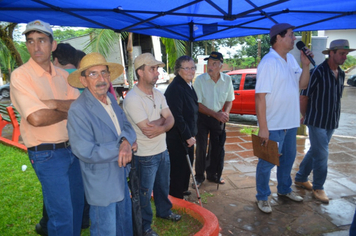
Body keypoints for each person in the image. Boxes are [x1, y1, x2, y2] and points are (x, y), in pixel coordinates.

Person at [10, 19, 84, 235]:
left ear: (53, 45)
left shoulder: (64, 75)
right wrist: (65, 109)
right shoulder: (21, 76)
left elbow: (80, 108)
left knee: (77, 209)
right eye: (31, 41)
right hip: (46, 153)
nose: (36, 46)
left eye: (42, 40)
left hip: (73, 149)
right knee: (61, 215)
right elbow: (36, 119)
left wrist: (50, 105)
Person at [66, 52, 136, 235]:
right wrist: (121, 146)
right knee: (106, 231)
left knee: (124, 227)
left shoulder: (111, 99)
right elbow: (84, 150)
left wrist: (126, 141)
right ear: (83, 80)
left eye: (104, 73)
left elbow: (126, 125)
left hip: (120, 176)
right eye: (93, 74)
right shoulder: (78, 109)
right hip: (101, 185)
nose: (101, 79)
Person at [254, 23, 313, 214]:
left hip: (290, 122)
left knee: (288, 160)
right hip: (273, 124)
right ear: (278, 38)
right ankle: (262, 196)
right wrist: (263, 128)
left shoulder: (290, 60)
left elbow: (302, 84)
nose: (294, 38)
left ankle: (284, 190)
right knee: (267, 162)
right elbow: (260, 96)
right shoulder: (269, 62)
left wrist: (306, 65)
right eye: (290, 35)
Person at [123, 53, 181, 236]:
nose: (157, 73)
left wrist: (159, 125)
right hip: (144, 155)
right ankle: (144, 226)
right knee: (144, 194)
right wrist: (163, 122)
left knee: (163, 186)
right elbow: (147, 130)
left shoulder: (158, 93)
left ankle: (164, 212)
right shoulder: (132, 98)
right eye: (152, 69)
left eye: (157, 68)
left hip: (162, 150)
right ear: (140, 72)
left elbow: (171, 118)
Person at [294, 39, 355, 204]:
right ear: (331, 53)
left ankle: (300, 177)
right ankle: (318, 187)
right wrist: (306, 116)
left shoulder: (341, 73)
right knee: (322, 154)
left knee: (315, 151)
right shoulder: (317, 72)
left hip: (331, 120)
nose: (344, 57)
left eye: (346, 54)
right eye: (341, 53)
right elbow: (303, 96)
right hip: (317, 121)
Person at [193, 51, 234, 188]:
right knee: (201, 147)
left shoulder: (227, 80)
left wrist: (226, 114)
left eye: (214, 64)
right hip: (202, 117)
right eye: (209, 63)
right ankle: (199, 176)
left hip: (218, 118)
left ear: (220, 67)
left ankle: (213, 175)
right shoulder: (200, 80)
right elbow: (197, 105)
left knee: (217, 147)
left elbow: (229, 100)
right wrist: (216, 115)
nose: (210, 66)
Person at [164, 56, 198, 199]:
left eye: (193, 67)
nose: (191, 71)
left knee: (186, 167)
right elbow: (176, 116)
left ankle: (183, 190)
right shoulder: (176, 88)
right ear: (178, 70)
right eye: (187, 68)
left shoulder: (187, 84)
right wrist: (187, 136)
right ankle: (176, 199)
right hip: (178, 137)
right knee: (178, 169)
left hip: (187, 136)